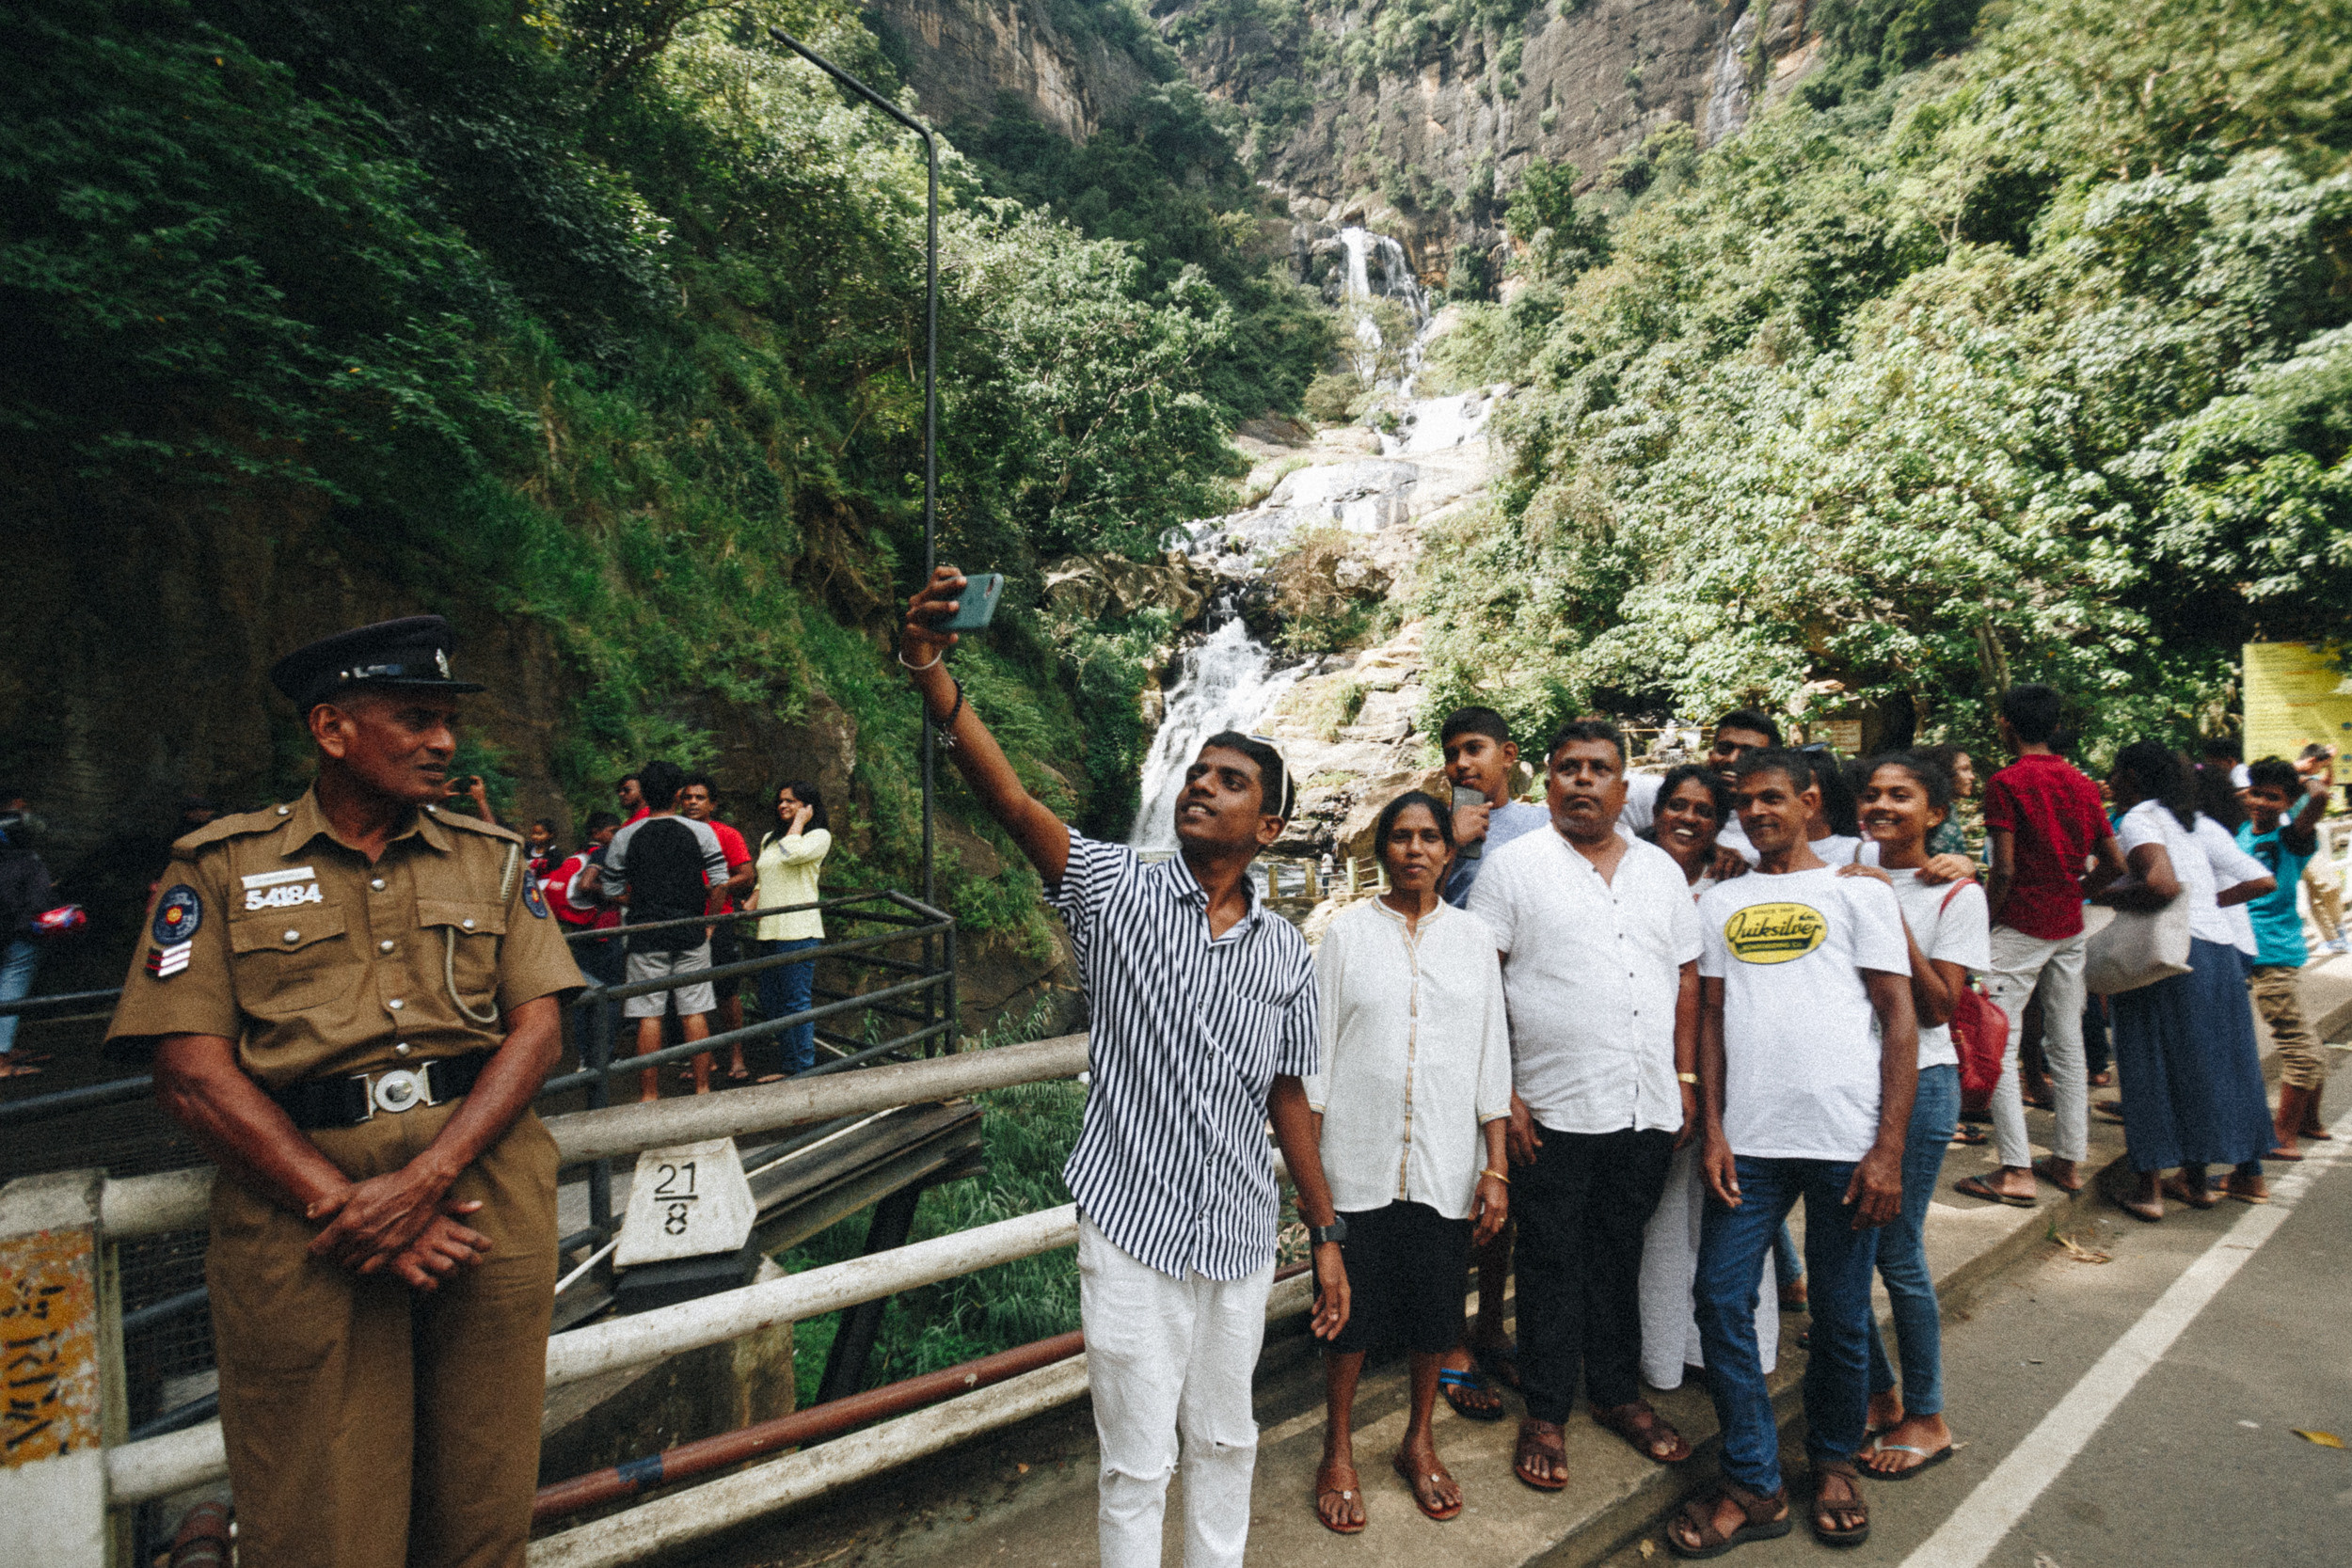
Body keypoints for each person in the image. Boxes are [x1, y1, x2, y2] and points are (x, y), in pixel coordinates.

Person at [102, 615, 581, 1568]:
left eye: (447, 720)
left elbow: (540, 1028)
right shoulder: (223, 867)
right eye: (414, 717)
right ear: (330, 728)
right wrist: (345, 1202)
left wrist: (423, 1177)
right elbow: (188, 1069)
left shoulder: (489, 858)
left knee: (483, 1513)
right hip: (305, 1233)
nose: (444, 742)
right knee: (321, 1520)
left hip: (483, 1204)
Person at [898, 565, 1349, 1568]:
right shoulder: (1115, 890)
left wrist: (1323, 1233)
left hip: (1236, 1229)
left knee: (1227, 1438)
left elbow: (1287, 1099)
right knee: (1136, 1459)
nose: (1199, 783)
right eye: (1197, 770)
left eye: (1229, 781)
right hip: (1133, 1226)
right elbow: (1011, 800)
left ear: (1268, 828)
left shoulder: (1284, 951)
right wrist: (932, 669)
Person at [1670, 748, 1916, 1559]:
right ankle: (1755, 1476)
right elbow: (1709, 1016)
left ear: (1811, 801)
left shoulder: (1858, 894)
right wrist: (1713, 1126)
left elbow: (1900, 1019)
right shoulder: (1722, 901)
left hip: (1847, 1142)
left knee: (1843, 1317)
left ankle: (1835, 1462)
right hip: (1752, 1143)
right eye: (1746, 802)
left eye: (1773, 797)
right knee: (1719, 1296)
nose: (1756, 812)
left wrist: (1888, 1148)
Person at [1467, 719, 1705, 1488]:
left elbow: (1688, 979)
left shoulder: (1661, 870)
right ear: (1548, 779)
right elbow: (1479, 985)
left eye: (1597, 768)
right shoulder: (1514, 867)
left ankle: (1614, 1394)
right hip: (1552, 1108)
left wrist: (1688, 1080)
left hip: (1644, 1105)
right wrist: (1505, 1095)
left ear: (1621, 784)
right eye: (1567, 767)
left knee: (1618, 1254)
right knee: (1548, 1261)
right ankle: (1545, 1410)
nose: (1581, 781)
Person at [1309, 790, 1511, 1531]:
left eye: (1430, 837)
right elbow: (1317, 1059)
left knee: (1434, 1311)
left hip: (1446, 1162)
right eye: (1401, 836)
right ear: (1382, 849)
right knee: (1347, 1317)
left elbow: (1493, 1058)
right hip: (1355, 1158)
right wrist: (1312, 1186)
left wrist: (1496, 1168)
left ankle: (1417, 1440)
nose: (1416, 848)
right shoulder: (1345, 937)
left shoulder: (1473, 938)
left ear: (1447, 852)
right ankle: (1338, 1448)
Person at [1841, 754, 1988, 1479]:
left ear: (1935, 812)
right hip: (1846, 1086)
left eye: (1902, 795)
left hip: (1923, 1084)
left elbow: (1936, 1008)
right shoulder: (1838, 867)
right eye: (1871, 793)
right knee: (1845, 1245)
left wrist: (1888, 909)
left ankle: (1927, 1414)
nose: (1882, 804)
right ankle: (1877, 1389)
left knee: (1897, 1252)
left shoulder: (1956, 891)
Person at [1634, 766, 1784, 1393]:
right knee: (1664, 1219)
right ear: (1657, 810)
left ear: (1719, 823)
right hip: (1655, 1072)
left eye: (1702, 809)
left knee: (1732, 1212)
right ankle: (1663, 1354)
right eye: (1676, 804)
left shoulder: (1736, 888)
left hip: (1732, 1069)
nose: (1687, 818)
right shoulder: (1629, 874)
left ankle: (1735, 1348)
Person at [1957, 684, 2127, 1208]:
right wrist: (2076, 892)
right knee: (2067, 1042)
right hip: (2068, 923)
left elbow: (2003, 867)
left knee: (1999, 1045)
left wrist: (1979, 924)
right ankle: (2069, 1160)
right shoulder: (2081, 783)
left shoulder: (2006, 782)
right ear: (2054, 726)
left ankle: (2015, 1169)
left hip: (2020, 923)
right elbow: (2114, 865)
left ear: (2005, 724)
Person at [2094, 742, 2276, 1220]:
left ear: (2133, 776)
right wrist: (2211, 905)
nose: (2111, 781)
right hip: (2217, 955)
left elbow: (2160, 884)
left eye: (2116, 772)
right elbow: (2261, 881)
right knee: (2203, 1066)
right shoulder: (2198, 823)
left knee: (2148, 1064)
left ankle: (2148, 1191)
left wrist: (2103, 900)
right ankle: (2195, 1182)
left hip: (2166, 958)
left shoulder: (2138, 820)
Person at [1434, 705, 1549, 1414]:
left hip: (1523, 1028)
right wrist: (1449, 840)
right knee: (1453, 1184)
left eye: (1474, 749)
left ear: (1508, 754)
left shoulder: (1542, 825)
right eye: (1451, 753)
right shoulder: (1434, 821)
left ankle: (1490, 1326)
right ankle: (1447, 1338)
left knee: (1503, 1185)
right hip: (1454, 1022)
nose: (1462, 764)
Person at [601, 760, 729, 1101]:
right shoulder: (701, 831)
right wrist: (709, 922)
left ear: (643, 793)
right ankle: (703, 1089)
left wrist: (640, 901)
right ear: (677, 794)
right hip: (690, 930)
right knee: (694, 1010)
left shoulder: (626, 835)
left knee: (648, 1014)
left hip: (645, 933)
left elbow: (611, 890)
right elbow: (719, 883)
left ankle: (649, 1096)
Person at [2240, 758, 2333, 1158]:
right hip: (2248, 949)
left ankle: (2285, 1135)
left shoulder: (2292, 838)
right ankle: (2310, 1121)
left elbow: (2321, 797)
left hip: (2273, 954)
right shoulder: (2243, 831)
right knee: (2305, 1037)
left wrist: (2307, 778)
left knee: (2297, 1046)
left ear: (2290, 801)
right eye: (2256, 792)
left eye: (2273, 797)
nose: (2261, 802)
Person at [752, 781, 833, 1078]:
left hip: (799, 932)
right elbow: (765, 877)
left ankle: (803, 1070)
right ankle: (789, 1066)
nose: (784, 806)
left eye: (793, 802)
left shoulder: (819, 836)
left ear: (809, 807)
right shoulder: (770, 840)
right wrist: (752, 902)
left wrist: (800, 822)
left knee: (796, 1003)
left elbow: (793, 855)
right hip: (770, 931)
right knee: (772, 1002)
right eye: (782, 801)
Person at [678, 774, 757, 1079]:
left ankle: (736, 1057)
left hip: (720, 919)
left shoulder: (726, 834)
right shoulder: (675, 833)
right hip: (686, 920)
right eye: (688, 797)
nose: (693, 803)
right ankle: (703, 1059)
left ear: (713, 803)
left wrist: (714, 888)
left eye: (700, 797)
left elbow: (747, 876)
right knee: (691, 992)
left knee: (726, 990)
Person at [0, 809, 56, 1078]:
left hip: (4, 932)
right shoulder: (28, 861)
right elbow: (38, 902)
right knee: (12, 986)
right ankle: (0, 1057)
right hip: (21, 934)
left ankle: (4, 1048)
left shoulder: (5, 859)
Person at [1706, 709, 1783, 868]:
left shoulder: (1784, 820)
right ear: (1710, 755)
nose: (1732, 759)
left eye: (1749, 754)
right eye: (1725, 749)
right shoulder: (1677, 806)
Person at [2295, 746, 2346, 954]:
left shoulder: (2310, 778)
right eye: (2319, 765)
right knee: (2329, 885)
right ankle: (2335, 935)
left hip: (2308, 841)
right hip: (2293, 842)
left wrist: (2329, 763)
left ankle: (2333, 938)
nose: (2320, 771)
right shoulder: (2291, 775)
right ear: (2311, 760)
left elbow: (2328, 782)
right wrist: (2304, 770)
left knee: (2319, 892)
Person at [1913, 744, 1977, 858]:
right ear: (1946, 772)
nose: (1972, 777)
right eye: (1964, 769)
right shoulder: (1929, 810)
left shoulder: (1948, 807)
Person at [523, 818, 561, 884]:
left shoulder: (554, 854)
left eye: (539, 834)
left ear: (551, 835)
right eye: (533, 833)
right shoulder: (527, 849)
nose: (535, 837)